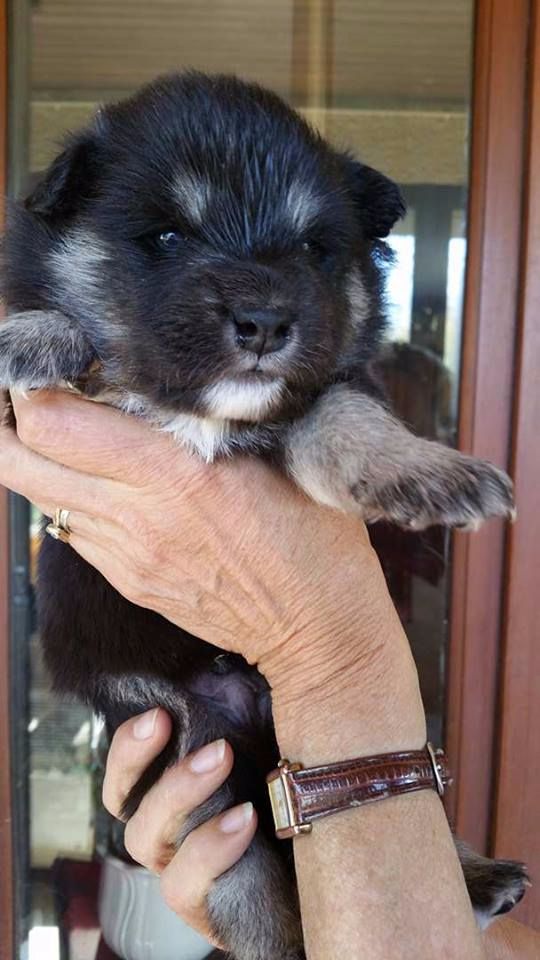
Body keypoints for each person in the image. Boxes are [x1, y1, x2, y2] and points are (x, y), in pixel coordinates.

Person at [1, 389, 538, 959]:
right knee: (220, 829)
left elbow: (325, 414)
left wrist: (332, 655)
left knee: (220, 825)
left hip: (233, 672)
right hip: (149, 665)